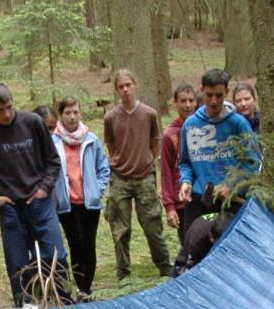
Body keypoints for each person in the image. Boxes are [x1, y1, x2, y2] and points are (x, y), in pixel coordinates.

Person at [0, 83, 68, 306]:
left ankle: (62, 303)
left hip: (40, 202)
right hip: (11, 208)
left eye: (9, 107)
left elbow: (53, 160)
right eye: (0, 110)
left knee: (56, 256)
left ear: (13, 102)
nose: (7, 114)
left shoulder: (33, 123)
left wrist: (44, 189)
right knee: (17, 265)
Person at [176, 68, 259, 264]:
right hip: (199, 198)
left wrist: (232, 185)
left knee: (233, 252)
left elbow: (254, 162)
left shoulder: (238, 124)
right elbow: (186, 162)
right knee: (194, 249)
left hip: (231, 199)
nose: (214, 101)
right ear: (202, 91)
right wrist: (186, 182)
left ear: (227, 93)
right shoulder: (190, 125)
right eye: (209, 95)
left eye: (219, 96)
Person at [101, 69, 173, 281]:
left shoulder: (149, 114)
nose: (125, 90)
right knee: (120, 229)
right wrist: (120, 162)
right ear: (116, 89)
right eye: (121, 86)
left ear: (135, 85)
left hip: (144, 176)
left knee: (152, 225)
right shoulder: (110, 117)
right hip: (120, 178)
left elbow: (155, 141)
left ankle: (164, 266)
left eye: (128, 85)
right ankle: (123, 271)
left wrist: (146, 160)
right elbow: (111, 145)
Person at [51, 97, 111, 296]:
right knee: (75, 245)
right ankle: (80, 286)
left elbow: (103, 168)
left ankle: (87, 288)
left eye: (75, 112)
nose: (72, 117)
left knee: (89, 245)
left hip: (89, 204)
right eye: (67, 113)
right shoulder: (53, 142)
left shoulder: (91, 140)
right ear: (61, 115)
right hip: (67, 204)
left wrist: (97, 190)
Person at [159, 83, 197, 255]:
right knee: (189, 245)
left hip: (203, 197)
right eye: (183, 101)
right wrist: (169, 207)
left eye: (191, 100)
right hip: (182, 202)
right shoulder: (169, 135)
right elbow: (166, 173)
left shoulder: (202, 129)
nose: (187, 105)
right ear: (175, 103)